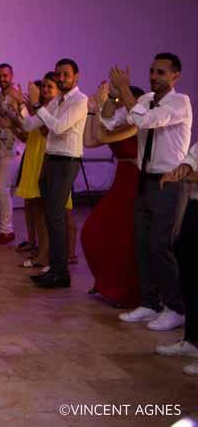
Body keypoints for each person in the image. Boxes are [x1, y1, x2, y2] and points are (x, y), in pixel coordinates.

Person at [102, 55, 192, 331]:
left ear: (175, 76)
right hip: (144, 180)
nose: (153, 76)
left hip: (168, 181)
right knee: (141, 244)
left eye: (161, 72)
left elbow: (148, 122)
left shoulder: (180, 102)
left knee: (159, 245)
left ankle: (175, 308)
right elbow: (109, 123)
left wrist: (128, 94)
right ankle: (149, 302)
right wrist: (114, 97)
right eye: (152, 71)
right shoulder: (144, 99)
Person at [23, 58, 88, 289]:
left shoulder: (81, 101)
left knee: (56, 215)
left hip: (66, 161)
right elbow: (30, 125)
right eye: (58, 74)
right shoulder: (58, 99)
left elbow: (58, 127)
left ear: (76, 77)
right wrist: (22, 108)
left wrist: (37, 106)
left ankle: (61, 273)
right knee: (50, 216)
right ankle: (55, 268)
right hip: (50, 160)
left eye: (66, 75)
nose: (61, 79)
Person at [80, 81, 144, 307]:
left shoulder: (138, 124)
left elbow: (103, 136)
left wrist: (101, 106)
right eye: (117, 101)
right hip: (122, 180)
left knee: (125, 239)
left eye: (120, 100)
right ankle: (107, 282)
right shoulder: (119, 123)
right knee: (93, 231)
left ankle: (126, 291)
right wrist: (91, 110)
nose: (118, 105)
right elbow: (88, 140)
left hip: (137, 181)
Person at [4, 74, 73, 271]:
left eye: (49, 87)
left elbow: (45, 132)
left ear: (58, 90)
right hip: (34, 155)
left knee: (51, 212)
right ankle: (42, 253)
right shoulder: (43, 108)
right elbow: (28, 131)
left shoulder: (57, 108)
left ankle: (55, 256)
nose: (44, 90)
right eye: (43, 86)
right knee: (37, 210)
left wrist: (32, 104)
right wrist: (14, 114)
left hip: (47, 157)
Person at [156, 142, 198, 375]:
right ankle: (192, 340)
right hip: (194, 204)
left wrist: (187, 175)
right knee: (189, 273)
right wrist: (183, 168)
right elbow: (192, 156)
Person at [0, 63, 24, 245]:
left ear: (12, 76)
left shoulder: (18, 97)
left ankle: (7, 230)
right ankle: (3, 228)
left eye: (5, 76)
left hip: (13, 147)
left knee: (3, 188)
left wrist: (11, 115)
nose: (2, 79)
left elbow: (26, 125)